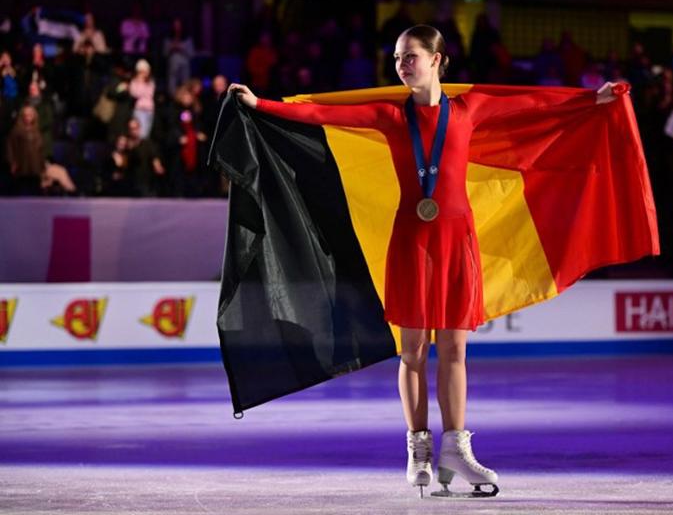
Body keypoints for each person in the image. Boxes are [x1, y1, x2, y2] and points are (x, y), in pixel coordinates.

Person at [228, 25, 623, 498]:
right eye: (397, 57)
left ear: (438, 60)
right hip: (412, 241)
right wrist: (261, 105)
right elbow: (320, 113)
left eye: (411, 55)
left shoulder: (471, 109)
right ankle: (419, 450)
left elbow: (535, 104)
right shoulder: (389, 116)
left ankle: (456, 448)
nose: (401, 64)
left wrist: (590, 100)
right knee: (412, 351)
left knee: (455, 349)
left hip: (458, 240)